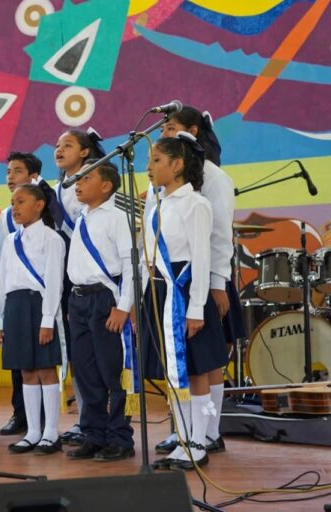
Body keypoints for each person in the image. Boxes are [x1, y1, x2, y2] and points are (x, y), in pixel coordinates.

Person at [150, 107, 238, 457]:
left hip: (200, 281)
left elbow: (217, 240)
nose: (166, 134)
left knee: (205, 362)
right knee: (179, 365)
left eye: (171, 129)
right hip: (167, 287)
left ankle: (206, 431)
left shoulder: (211, 183)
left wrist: (215, 286)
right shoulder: (161, 194)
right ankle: (187, 433)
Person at [65, 161, 135, 462]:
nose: (78, 183)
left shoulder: (117, 218)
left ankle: (120, 437)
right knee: (85, 372)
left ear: (106, 186)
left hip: (105, 300)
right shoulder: (81, 217)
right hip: (78, 301)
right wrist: (72, 300)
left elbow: (130, 264)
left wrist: (123, 307)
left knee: (113, 372)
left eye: (86, 178)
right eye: (78, 179)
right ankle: (93, 434)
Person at [0, 184, 66, 455]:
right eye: (13, 202)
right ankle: (33, 431)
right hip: (15, 306)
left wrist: (48, 319)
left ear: (39, 205)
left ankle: (50, 432)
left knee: (46, 369)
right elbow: (2, 280)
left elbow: (54, 281)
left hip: (39, 305)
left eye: (22, 201)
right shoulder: (11, 241)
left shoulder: (51, 239)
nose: (15, 208)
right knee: (25, 370)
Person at [53, 127, 107, 447]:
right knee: (80, 353)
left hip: (97, 277)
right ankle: (86, 418)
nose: (59, 150)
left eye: (68, 145)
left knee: (101, 354)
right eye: (58, 146)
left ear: (85, 152)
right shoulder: (56, 188)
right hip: (68, 276)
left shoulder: (95, 182)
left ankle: (108, 419)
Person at [0, 152, 42, 437]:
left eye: (18, 171)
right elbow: (2, 257)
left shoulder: (43, 212)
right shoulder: (5, 217)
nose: (10, 176)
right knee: (18, 360)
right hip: (14, 298)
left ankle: (44, 420)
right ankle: (20, 413)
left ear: (33, 176)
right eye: (8, 171)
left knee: (42, 360)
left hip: (39, 296)